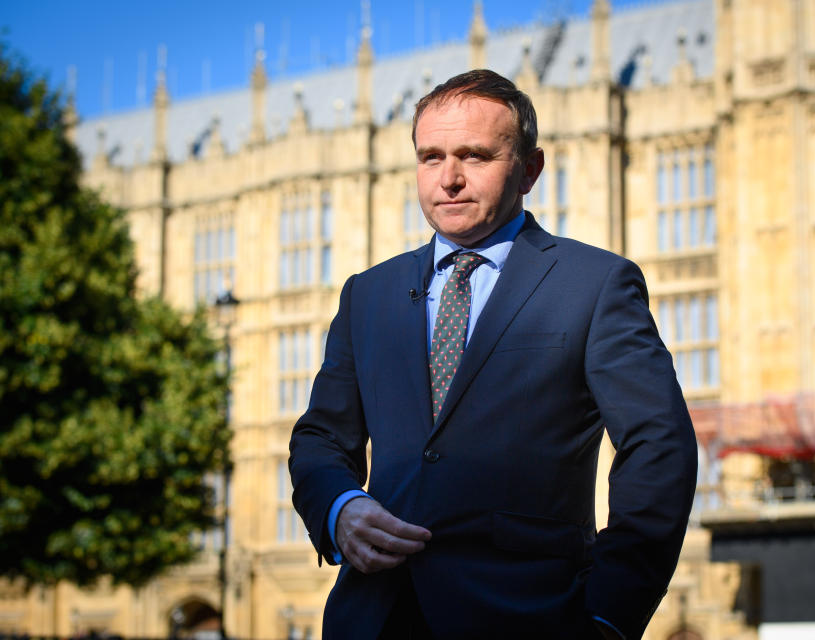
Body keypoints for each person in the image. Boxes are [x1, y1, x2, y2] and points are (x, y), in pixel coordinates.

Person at [289, 69, 697, 640]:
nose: (449, 178)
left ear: (530, 169)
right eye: (431, 157)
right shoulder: (368, 294)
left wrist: (608, 614)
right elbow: (320, 439)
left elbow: (660, 447)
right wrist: (340, 510)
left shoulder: (594, 283)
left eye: (475, 156)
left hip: (534, 615)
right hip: (375, 615)